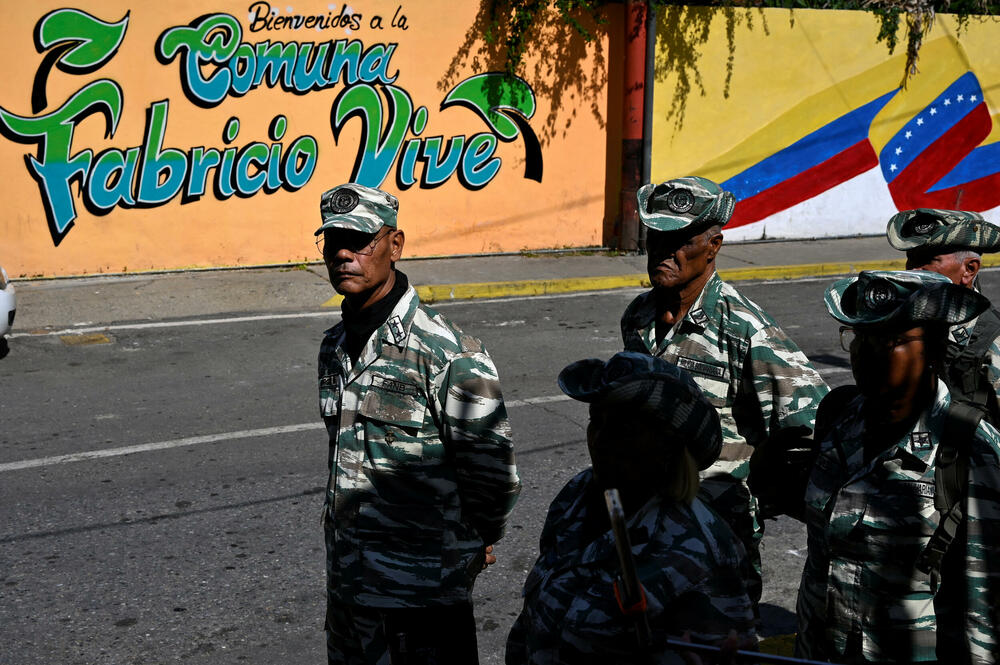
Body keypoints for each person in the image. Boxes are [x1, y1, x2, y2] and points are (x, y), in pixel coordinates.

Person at [315, 183, 521, 664]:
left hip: (421, 600)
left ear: (395, 244)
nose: (343, 253)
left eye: (360, 240)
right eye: (332, 241)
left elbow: (494, 477)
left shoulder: (446, 352)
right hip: (348, 592)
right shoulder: (334, 347)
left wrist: (471, 542)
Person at [620, 176, 828, 610]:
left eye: (680, 239)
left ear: (713, 246)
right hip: (645, 518)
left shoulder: (745, 329)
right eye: (656, 237)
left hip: (715, 535)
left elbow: (812, 426)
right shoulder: (639, 316)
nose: (664, 250)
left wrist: (756, 491)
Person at [795, 269, 1000, 663]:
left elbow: (985, 613)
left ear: (936, 353)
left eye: (892, 340)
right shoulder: (839, 421)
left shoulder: (970, 450)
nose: (866, 353)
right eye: (859, 337)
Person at [506, 352, 757, 665]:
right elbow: (534, 622)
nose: (600, 439)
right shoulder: (579, 495)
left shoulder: (700, 548)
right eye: (596, 422)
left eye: (623, 428)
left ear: (668, 444)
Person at [887, 208, 1000, 425]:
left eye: (927, 260)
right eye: (911, 259)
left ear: (969, 269)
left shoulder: (992, 340)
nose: (913, 271)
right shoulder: (904, 323)